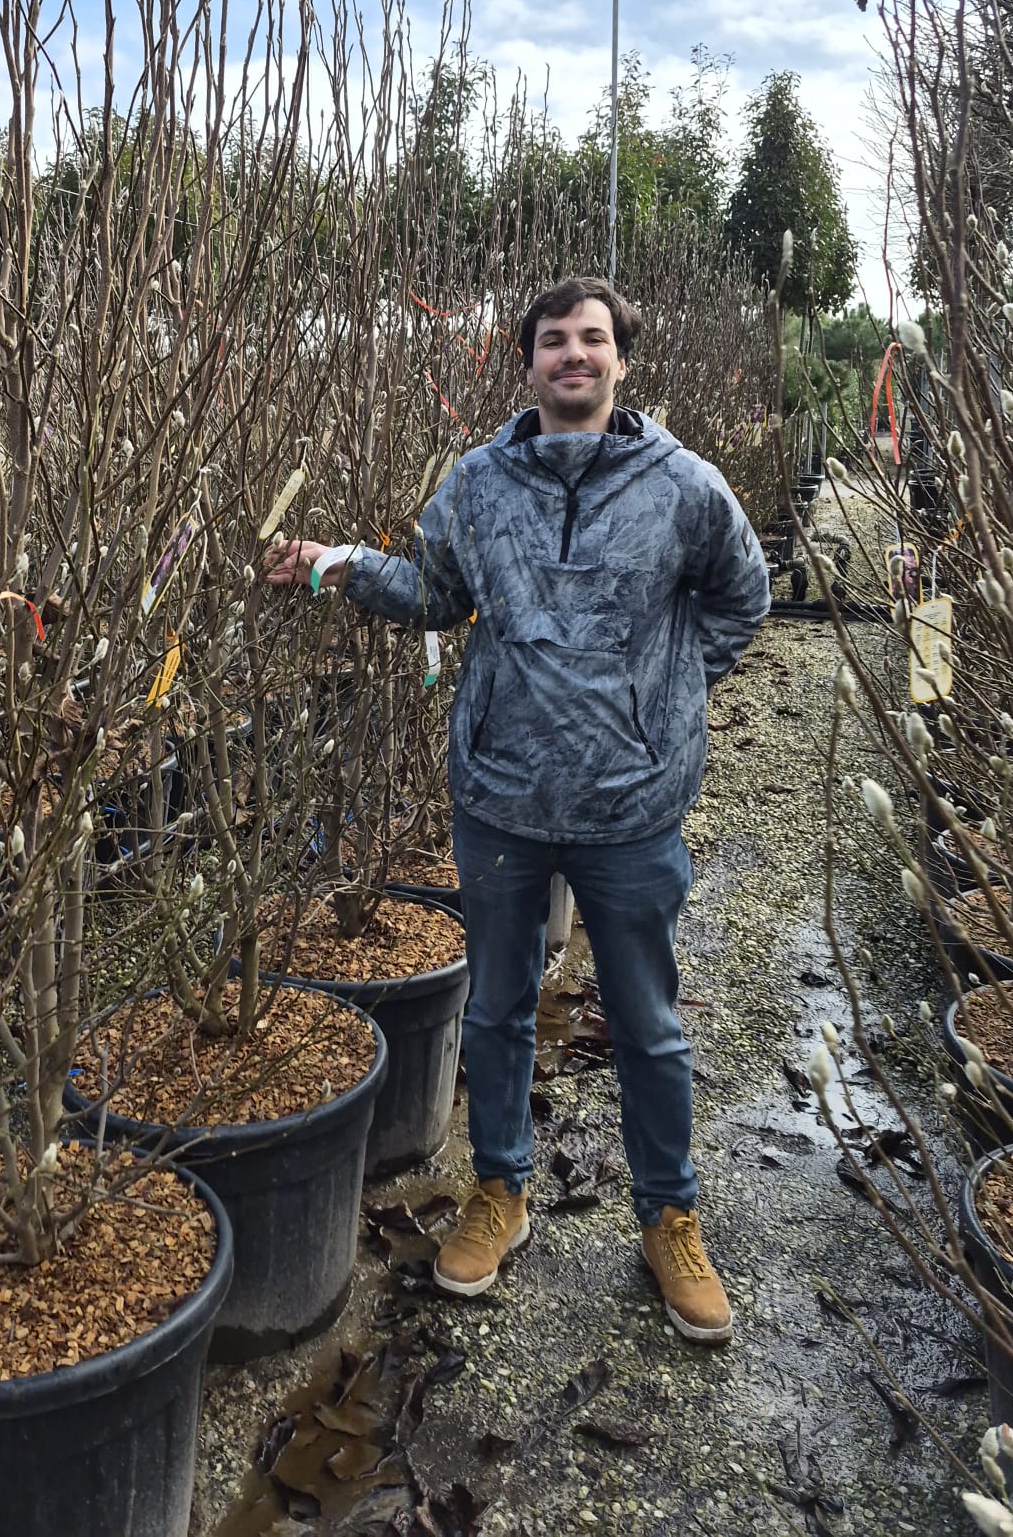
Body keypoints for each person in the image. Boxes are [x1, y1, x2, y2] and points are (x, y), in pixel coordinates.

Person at [266, 276, 770, 1341]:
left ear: (622, 360)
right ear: (529, 361)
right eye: (555, 340)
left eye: (593, 339)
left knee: (649, 1022)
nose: (574, 355)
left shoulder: (684, 485)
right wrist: (337, 565)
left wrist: (661, 703)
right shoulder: (478, 484)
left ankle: (669, 1214)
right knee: (494, 1009)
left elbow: (744, 595)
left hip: (632, 804)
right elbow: (435, 593)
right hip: (501, 795)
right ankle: (500, 1187)